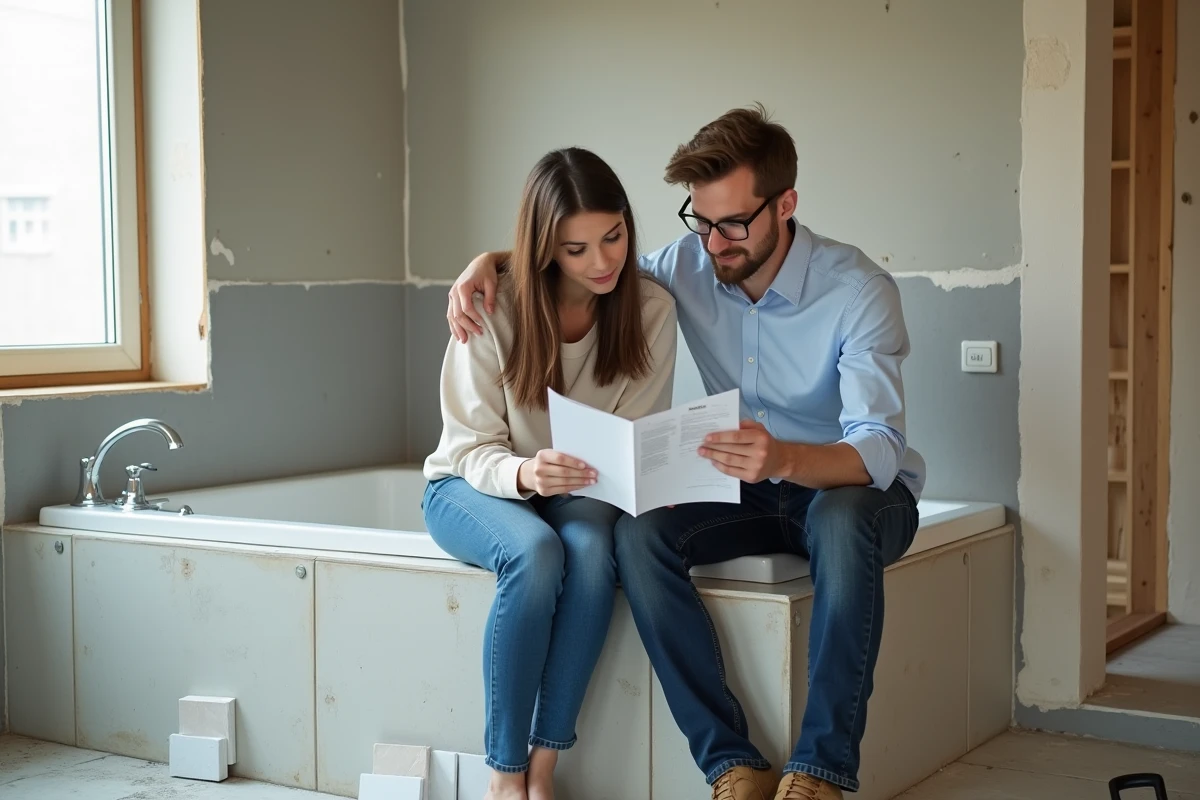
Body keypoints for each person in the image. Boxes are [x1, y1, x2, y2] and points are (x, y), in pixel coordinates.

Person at [445, 105, 925, 800]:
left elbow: (878, 447)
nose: (715, 241)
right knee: (638, 536)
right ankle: (732, 762)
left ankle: (821, 769)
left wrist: (784, 457)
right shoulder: (688, 264)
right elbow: (578, 255)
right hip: (752, 489)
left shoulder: (859, 292)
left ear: (785, 204)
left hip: (852, 490)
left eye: (733, 222)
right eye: (699, 220)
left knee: (840, 522)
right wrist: (484, 265)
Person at [422, 146, 677, 800]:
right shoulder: (488, 306)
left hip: (584, 491)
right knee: (535, 552)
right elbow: (473, 446)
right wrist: (529, 474)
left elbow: (632, 442)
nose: (602, 262)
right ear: (544, 249)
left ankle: (544, 768)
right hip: (470, 484)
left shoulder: (650, 309)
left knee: (592, 554)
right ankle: (505, 775)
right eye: (576, 249)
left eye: (614, 237)